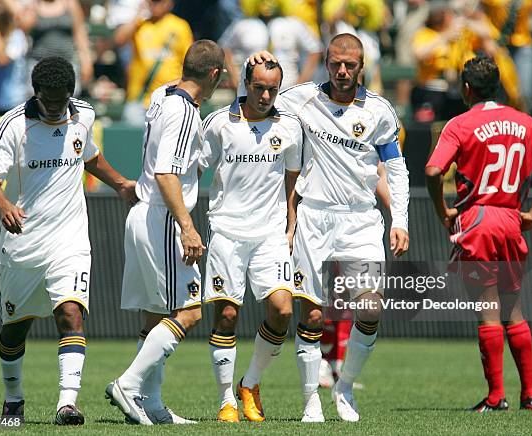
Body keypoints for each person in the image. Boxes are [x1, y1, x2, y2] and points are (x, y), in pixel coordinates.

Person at [246, 33, 410, 422]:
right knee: (313, 316)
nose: (341, 70)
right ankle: (309, 400)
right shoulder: (299, 99)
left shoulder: (380, 112)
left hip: (361, 220)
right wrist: (251, 67)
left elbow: (397, 168)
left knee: (369, 308)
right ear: (326, 63)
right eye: (335, 62)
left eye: (349, 64)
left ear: (362, 67)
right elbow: (258, 96)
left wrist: (398, 219)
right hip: (314, 217)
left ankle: (345, 386)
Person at [0, 56, 137, 425]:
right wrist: (2, 204)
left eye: (60, 101)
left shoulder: (83, 115)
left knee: (71, 314)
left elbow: (89, 156)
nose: (54, 108)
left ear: (70, 94)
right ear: (36, 94)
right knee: (15, 329)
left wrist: (120, 185)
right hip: (23, 244)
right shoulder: (14, 125)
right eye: (47, 101)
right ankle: (13, 399)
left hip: (70, 240)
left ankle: (68, 404)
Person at [425, 55, 532, 412]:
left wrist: (443, 213)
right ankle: (529, 395)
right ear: (498, 86)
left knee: (487, 313)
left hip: (478, 220)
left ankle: (495, 396)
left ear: (466, 88)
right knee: (514, 311)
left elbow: (432, 170)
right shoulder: (525, 121)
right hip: (510, 220)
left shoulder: (459, 124)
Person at [105, 40, 225, 425]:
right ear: (213, 75)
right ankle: (130, 383)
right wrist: (188, 227)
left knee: (155, 317)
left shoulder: (161, 94)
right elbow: (165, 172)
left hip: (142, 213)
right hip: (165, 216)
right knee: (188, 312)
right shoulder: (185, 112)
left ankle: (151, 406)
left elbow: (182, 82)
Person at [200, 60, 302, 422]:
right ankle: (226, 399)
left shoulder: (289, 126)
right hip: (227, 231)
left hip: (270, 234)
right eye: (258, 87)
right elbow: (196, 168)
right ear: (245, 83)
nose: (265, 95)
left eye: (272, 89)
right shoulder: (219, 123)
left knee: (283, 310)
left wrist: (291, 226)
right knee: (227, 314)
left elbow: (292, 179)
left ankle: (250, 382)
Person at [114, 0, 193, 126]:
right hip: (139, 99)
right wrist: (137, 16)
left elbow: (189, 63)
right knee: (134, 142)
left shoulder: (180, 26)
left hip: (169, 99)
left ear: (169, 3)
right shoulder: (140, 24)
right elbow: (119, 40)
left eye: (159, 1)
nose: (155, 4)